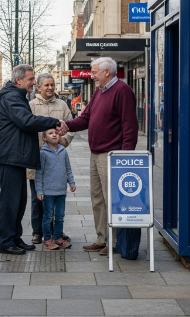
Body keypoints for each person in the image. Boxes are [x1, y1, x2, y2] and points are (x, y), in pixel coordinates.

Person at [62, 57, 138, 255]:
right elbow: (86, 117)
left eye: (94, 72)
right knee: (98, 199)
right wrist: (67, 125)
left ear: (107, 72)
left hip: (112, 155)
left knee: (112, 199)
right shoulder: (99, 92)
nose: (92, 75)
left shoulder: (122, 91)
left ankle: (113, 243)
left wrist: (125, 158)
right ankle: (101, 238)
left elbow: (130, 127)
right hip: (96, 153)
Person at [0, 64, 63, 255]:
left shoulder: (17, 97)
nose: (34, 82)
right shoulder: (11, 98)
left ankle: (15, 237)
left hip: (15, 157)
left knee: (19, 200)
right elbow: (27, 121)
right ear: (19, 80)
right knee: (10, 201)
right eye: (31, 79)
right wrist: (54, 122)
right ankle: (5, 242)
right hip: (9, 157)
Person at [28, 73, 75, 244]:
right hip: (37, 160)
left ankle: (57, 232)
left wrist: (64, 140)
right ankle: (38, 231)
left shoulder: (62, 104)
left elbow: (71, 125)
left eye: (52, 85)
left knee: (56, 199)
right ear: (38, 87)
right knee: (37, 197)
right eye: (46, 85)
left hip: (56, 161)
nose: (50, 88)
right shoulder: (31, 105)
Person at [36, 128, 76, 250]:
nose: (54, 135)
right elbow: (39, 173)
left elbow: (68, 168)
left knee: (59, 216)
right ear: (44, 137)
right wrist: (39, 190)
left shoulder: (63, 151)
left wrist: (72, 182)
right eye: (50, 133)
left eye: (56, 133)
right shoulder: (43, 153)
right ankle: (48, 239)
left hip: (61, 191)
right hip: (48, 192)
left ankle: (58, 237)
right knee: (48, 217)